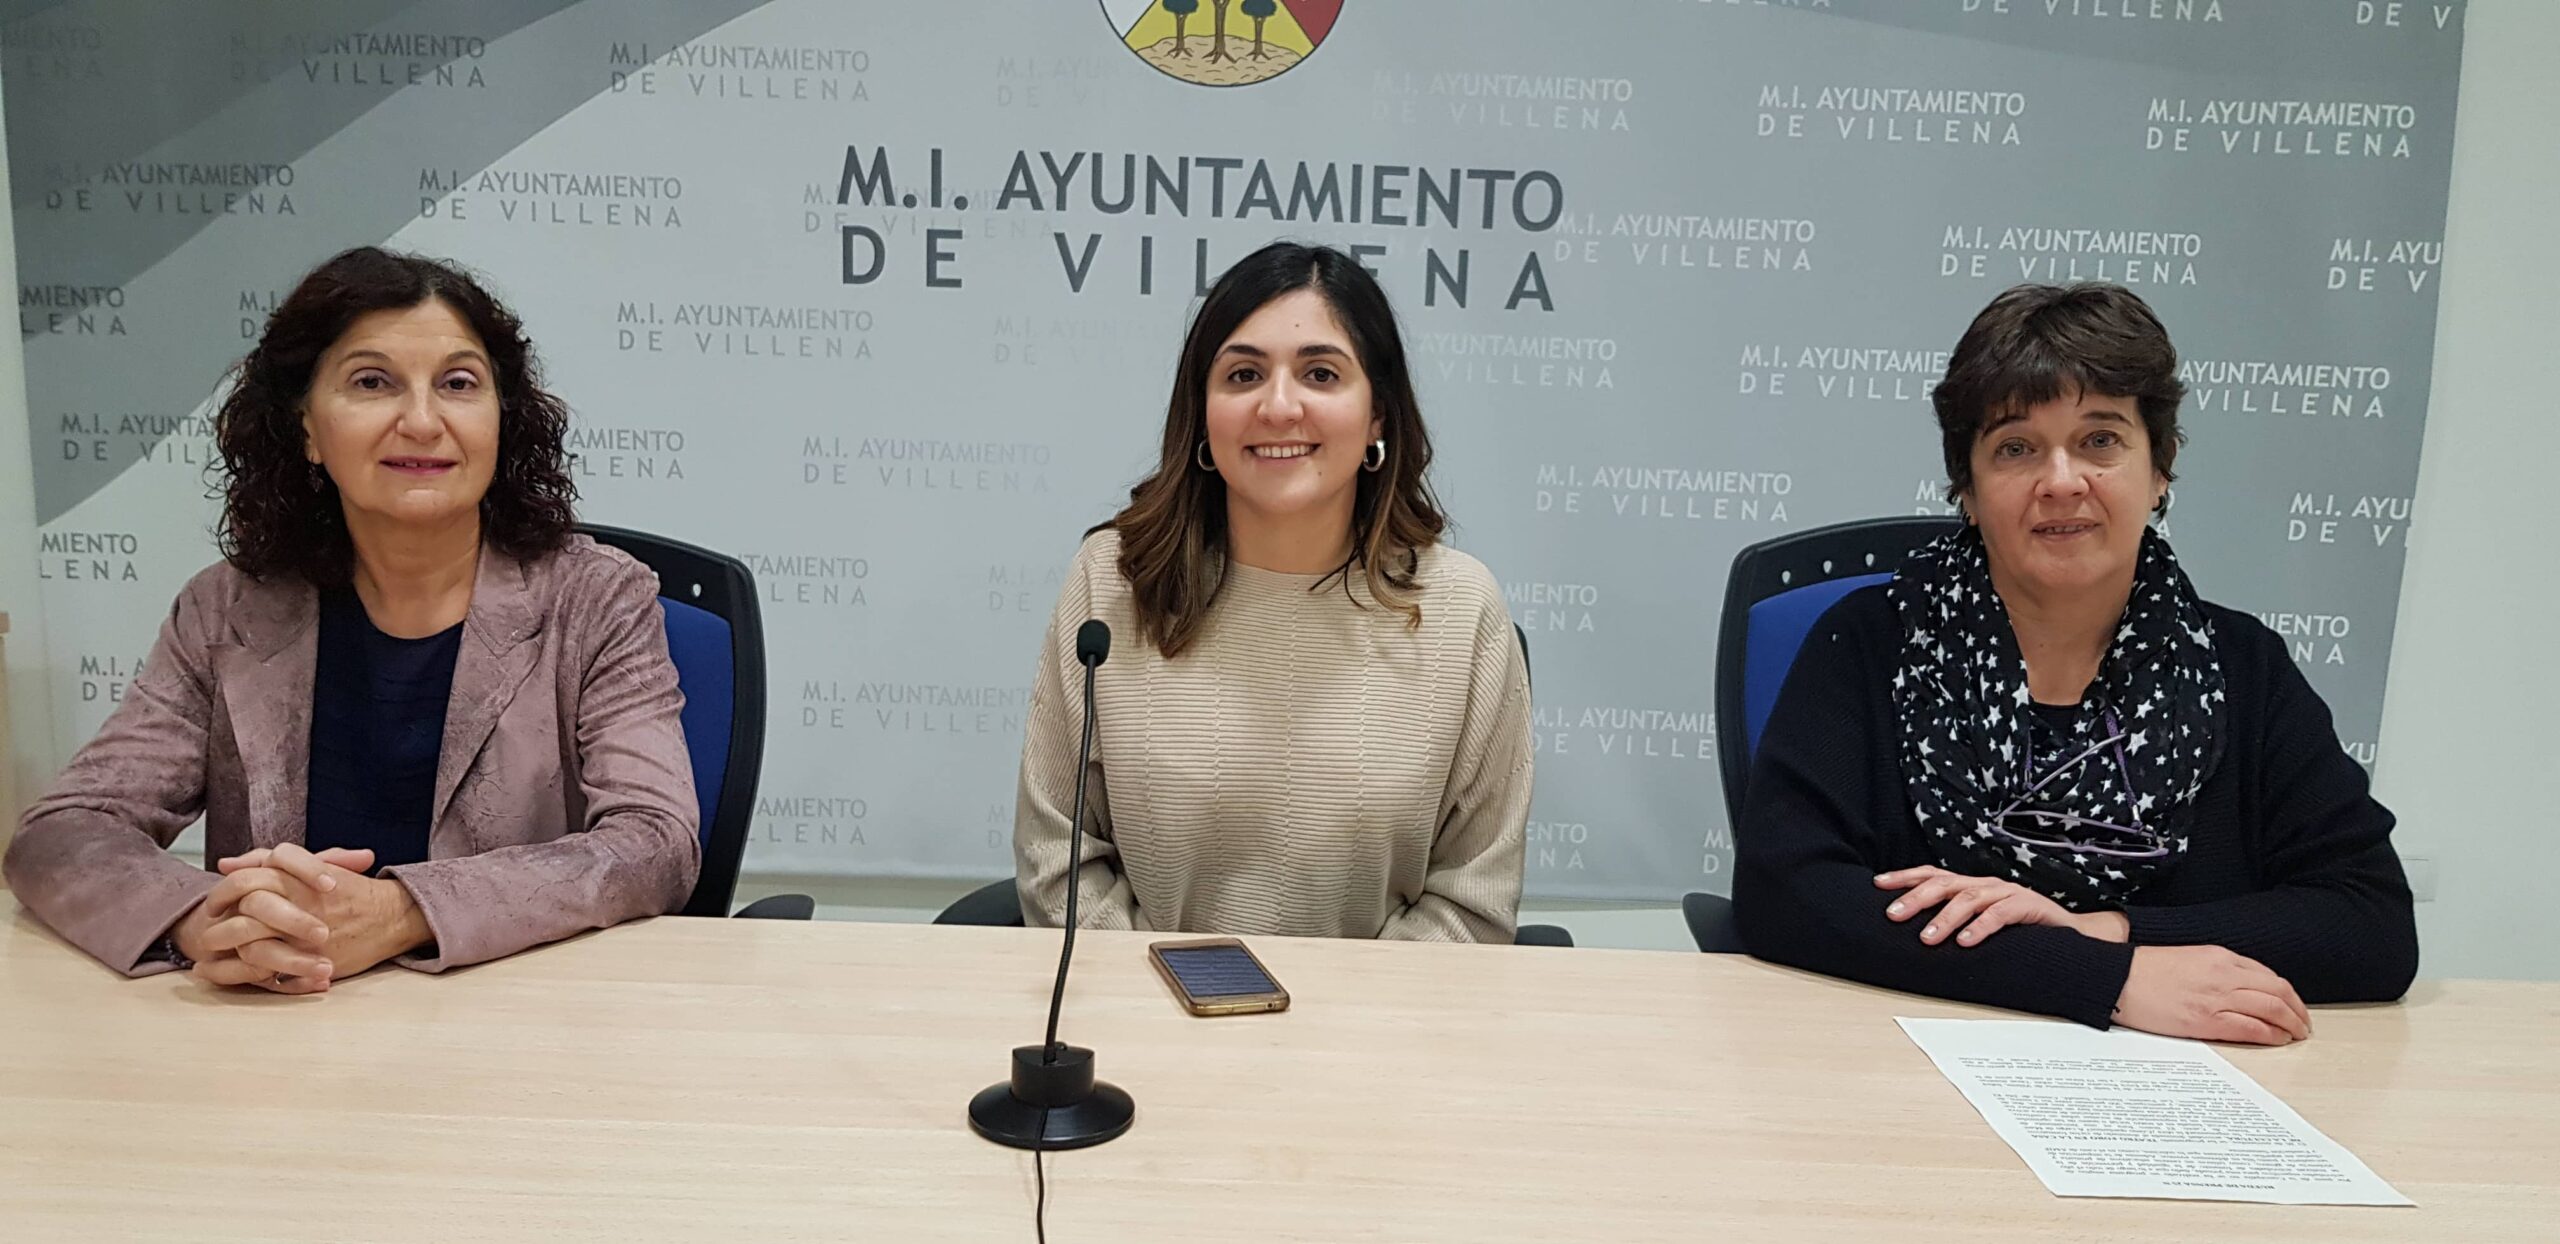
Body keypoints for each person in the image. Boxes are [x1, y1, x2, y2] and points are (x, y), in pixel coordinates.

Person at [1733, 283, 2417, 1044]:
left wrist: (2107, 930)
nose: (2062, 481)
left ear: (2159, 470)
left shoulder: (2242, 667)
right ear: (1967, 487)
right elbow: (1784, 895)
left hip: (2181, 1089)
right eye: (2016, 448)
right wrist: (2104, 979)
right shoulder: (1870, 642)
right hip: (1900, 1067)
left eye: (2100, 440)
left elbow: (2371, 923)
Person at [4, 246, 700, 993]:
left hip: (508, 1017)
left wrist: (402, 912)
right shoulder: (227, 609)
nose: (423, 421)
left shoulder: (596, 599)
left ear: (501, 418)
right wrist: (203, 918)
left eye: (459, 384)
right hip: (284, 1015)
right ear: (306, 427)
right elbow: (63, 831)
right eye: (372, 382)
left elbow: (654, 843)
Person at [1012, 242, 1532, 942]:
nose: (1279, 406)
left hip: (1382, 1013)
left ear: (1378, 415)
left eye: (1320, 374)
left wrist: (1340, 1011)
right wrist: (1177, 994)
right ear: (1203, 411)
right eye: (1244, 374)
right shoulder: (1112, 581)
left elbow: (1473, 899)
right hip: (1146, 1004)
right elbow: (1058, 861)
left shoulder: (1464, 611)